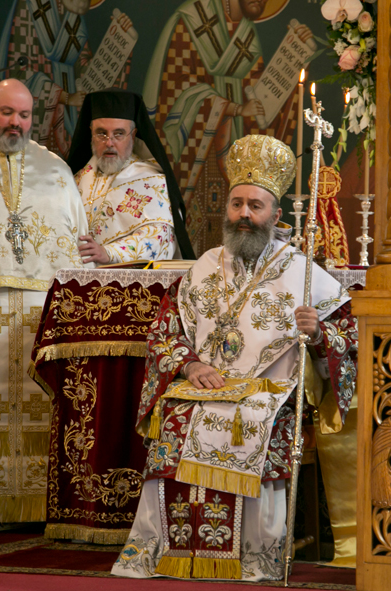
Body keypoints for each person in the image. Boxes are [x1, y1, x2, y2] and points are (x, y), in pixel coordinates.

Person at [111, 135, 358, 581]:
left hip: (268, 393)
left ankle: (253, 557)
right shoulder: (204, 266)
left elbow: (347, 341)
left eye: (255, 206)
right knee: (175, 419)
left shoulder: (301, 273)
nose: (244, 214)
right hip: (202, 385)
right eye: (237, 204)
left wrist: (318, 332)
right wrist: (191, 365)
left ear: (275, 215)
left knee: (253, 420)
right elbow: (165, 334)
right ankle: (162, 549)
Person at [0, 78, 91, 524]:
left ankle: (39, 504)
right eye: (6, 113)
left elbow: (78, 240)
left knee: (39, 406)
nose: (15, 123)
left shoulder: (54, 167)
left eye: (24, 115)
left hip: (39, 307)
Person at [143, 0, 313, 252]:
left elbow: (261, 101)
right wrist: (231, 108)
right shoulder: (190, 19)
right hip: (198, 152)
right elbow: (175, 85)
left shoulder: (246, 32)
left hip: (237, 164)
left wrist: (294, 59)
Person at [66, 89, 195, 264]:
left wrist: (109, 252)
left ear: (133, 135)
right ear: (91, 133)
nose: (109, 142)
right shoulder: (74, 180)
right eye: (101, 133)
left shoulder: (151, 181)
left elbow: (162, 240)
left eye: (118, 134)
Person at [0, 0, 131, 158]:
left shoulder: (73, 12)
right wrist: (63, 97)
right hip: (41, 121)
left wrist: (118, 42)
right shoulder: (30, 5)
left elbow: (84, 72)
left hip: (68, 123)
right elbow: (19, 73)